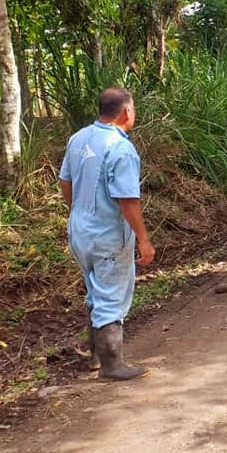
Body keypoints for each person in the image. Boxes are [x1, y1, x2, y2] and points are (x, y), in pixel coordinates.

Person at [59, 87, 155, 381]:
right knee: (111, 296)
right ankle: (113, 365)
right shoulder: (120, 149)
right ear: (127, 112)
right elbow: (127, 201)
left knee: (95, 289)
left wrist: (79, 211)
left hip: (80, 230)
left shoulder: (78, 139)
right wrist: (143, 239)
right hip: (107, 235)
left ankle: (95, 357)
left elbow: (65, 181)